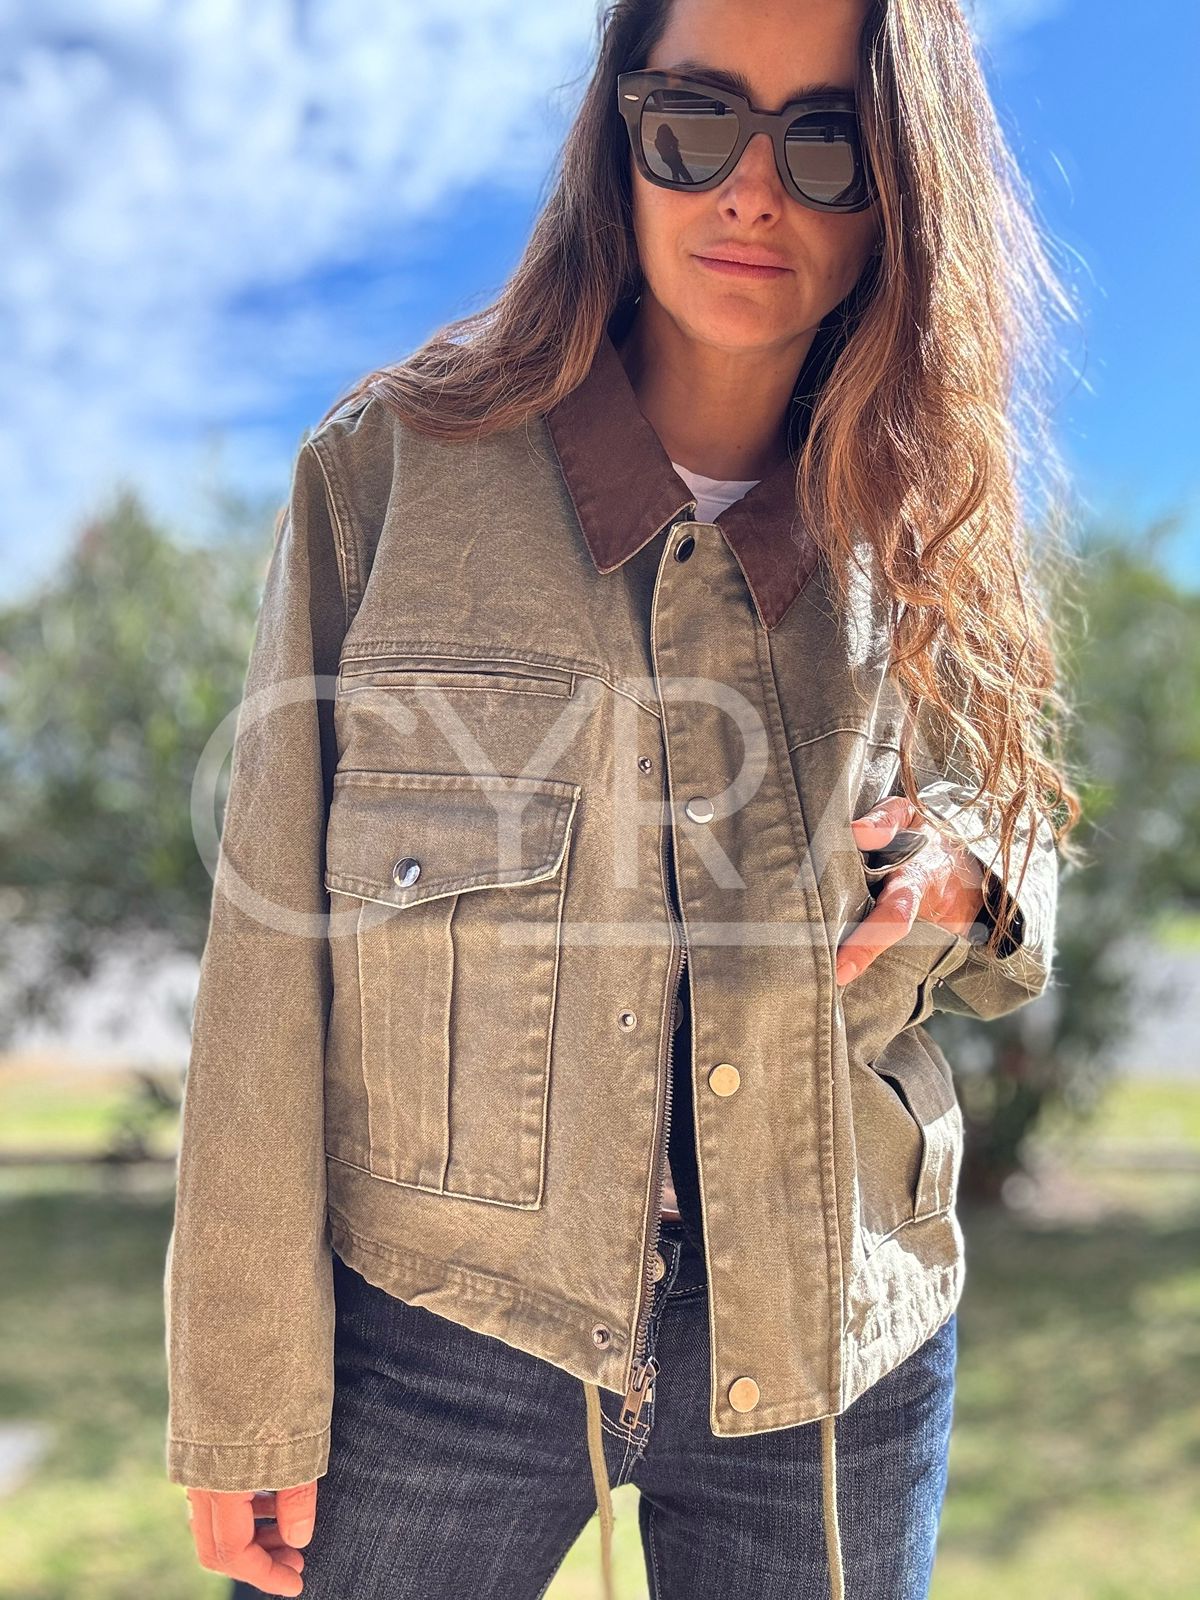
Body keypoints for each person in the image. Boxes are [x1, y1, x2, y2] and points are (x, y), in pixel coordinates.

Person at [165, 1, 1079, 1596]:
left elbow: (1023, 841)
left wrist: (967, 875)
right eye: (694, 124)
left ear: (900, 189)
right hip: (435, 1339)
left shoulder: (933, 521)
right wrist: (244, 1390)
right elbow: (264, 962)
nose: (751, 193)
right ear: (618, 140)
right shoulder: (389, 476)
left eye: (827, 142)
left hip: (836, 1347)